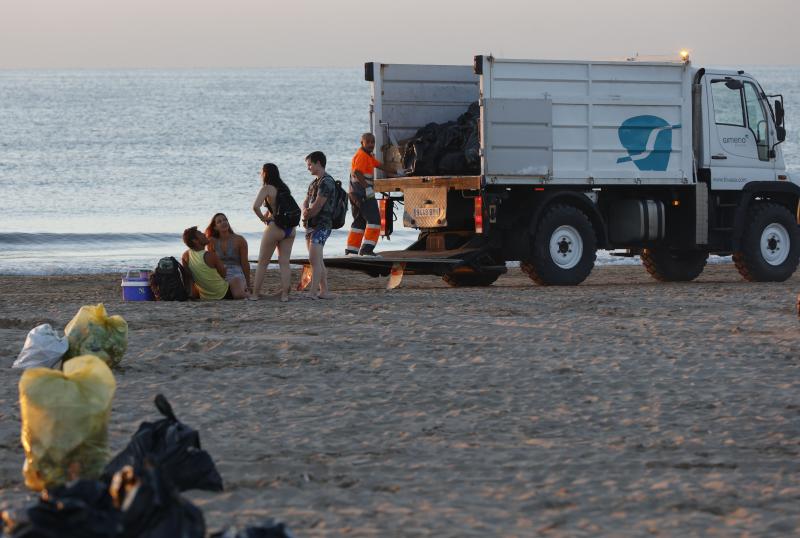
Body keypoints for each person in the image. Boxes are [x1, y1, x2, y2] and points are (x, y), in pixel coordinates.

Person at [250, 163, 297, 302]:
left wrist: (263, 218)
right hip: (290, 229)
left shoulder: (267, 188)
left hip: (275, 227)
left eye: (261, 172)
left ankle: (255, 295)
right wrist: (268, 212)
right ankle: (285, 295)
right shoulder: (284, 188)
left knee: (263, 263)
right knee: (284, 262)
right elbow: (280, 207)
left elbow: (255, 206)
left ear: (265, 173)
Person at [346, 132, 398, 256]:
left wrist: (397, 171)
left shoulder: (367, 156)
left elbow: (379, 165)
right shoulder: (362, 156)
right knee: (374, 221)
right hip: (362, 194)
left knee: (359, 222)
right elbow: (357, 173)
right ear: (362, 143)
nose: (371, 144)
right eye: (368, 142)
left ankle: (351, 250)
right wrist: (367, 188)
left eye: (373, 142)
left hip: (355, 194)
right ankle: (367, 250)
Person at [302, 151, 335, 299]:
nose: (308, 167)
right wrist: (304, 211)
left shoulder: (327, 182)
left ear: (318, 163)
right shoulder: (313, 183)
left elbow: (319, 204)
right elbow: (305, 201)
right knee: (317, 260)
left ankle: (313, 292)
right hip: (311, 224)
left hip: (322, 225)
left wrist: (309, 213)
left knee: (314, 259)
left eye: (310, 164)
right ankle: (324, 291)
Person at [181, 226, 247, 300]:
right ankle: (247, 293)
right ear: (195, 241)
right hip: (222, 293)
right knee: (236, 279)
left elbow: (189, 277)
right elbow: (223, 275)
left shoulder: (185, 256)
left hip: (205, 296)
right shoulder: (210, 255)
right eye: (200, 234)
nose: (204, 234)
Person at [204, 213, 251, 294]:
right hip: (221, 274)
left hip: (237, 273)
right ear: (215, 227)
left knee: (238, 294)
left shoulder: (239, 240)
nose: (223, 222)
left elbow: (245, 263)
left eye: (225, 220)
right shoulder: (212, 241)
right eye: (219, 221)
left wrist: (248, 284)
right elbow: (212, 264)